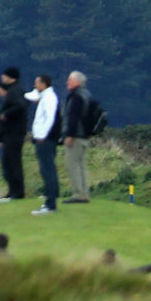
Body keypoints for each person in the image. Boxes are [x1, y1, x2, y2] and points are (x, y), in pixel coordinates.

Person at [28, 73, 62, 215]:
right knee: (46, 170)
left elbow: (50, 118)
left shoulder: (49, 98)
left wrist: (43, 135)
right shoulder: (44, 97)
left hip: (46, 139)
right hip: (45, 138)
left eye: (37, 83)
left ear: (44, 84)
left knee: (48, 170)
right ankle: (50, 199)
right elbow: (29, 95)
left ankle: (50, 204)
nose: (35, 86)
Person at [0, 67, 29, 201]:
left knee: (14, 162)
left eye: (5, 75)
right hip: (10, 133)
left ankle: (18, 191)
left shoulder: (15, 91)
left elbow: (20, 106)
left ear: (12, 77)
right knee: (9, 162)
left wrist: (6, 114)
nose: (2, 77)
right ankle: (12, 190)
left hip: (13, 132)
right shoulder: (14, 90)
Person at [63, 71, 96, 204]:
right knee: (82, 165)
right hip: (85, 136)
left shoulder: (76, 96)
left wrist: (69, 134)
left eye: (69, 80)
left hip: (76, 135)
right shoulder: (87, 94)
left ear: (77, 81)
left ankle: (78, 194)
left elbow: (73, 117)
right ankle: (84, 193)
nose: (67, 82)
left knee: (73, 165)